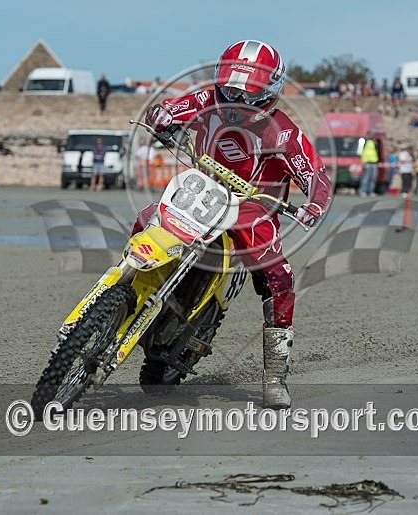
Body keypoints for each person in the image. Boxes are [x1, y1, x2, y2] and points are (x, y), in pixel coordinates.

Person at [141, 39, 332, 409]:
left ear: (269, 91)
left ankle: (275, 377)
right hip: (199, 192)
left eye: (246, 93)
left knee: (281, 280)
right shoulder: (206, 101)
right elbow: (169, 109)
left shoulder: (284, 132)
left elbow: (316, 175)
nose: (235, 100)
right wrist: (160, 115)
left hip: (252, 211)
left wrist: (315, 204)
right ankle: (122, 292)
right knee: (145, 217)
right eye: (229, 89)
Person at [357, 131, 379, 197]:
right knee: (366, 177)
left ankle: (371, 191)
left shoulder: (374, 142)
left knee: (372, 178)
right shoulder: (364, 141)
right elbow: (360, 151)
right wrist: (362, 162)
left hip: (374, 162)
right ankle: (363, 190)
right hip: (367, 162)